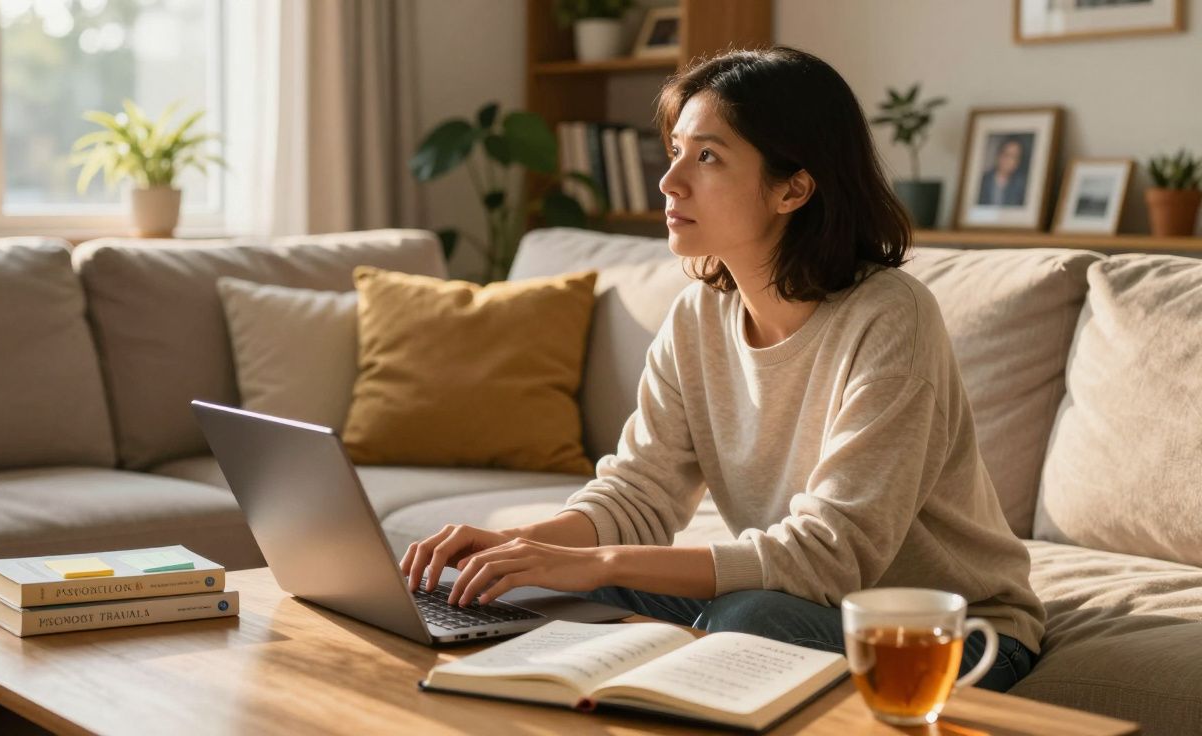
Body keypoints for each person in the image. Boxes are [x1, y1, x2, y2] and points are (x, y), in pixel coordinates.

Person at [400, 46, 1045, 692]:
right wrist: (521, 548)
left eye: (706, 157)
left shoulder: (891, 319)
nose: (670, 179)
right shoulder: (697, 317)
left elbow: (829, 556)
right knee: (530, 592)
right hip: (802, 601)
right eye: (676, 149)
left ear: (793, 187)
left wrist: (594, 563)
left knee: (744, 616)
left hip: (949, 634)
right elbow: (638, 495)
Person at [976, 136, 1029, 206]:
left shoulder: (1022, 185)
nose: (1010, 161)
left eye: (1015, 157)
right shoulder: (983, 180)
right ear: (999, 155)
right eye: (1007, 155)